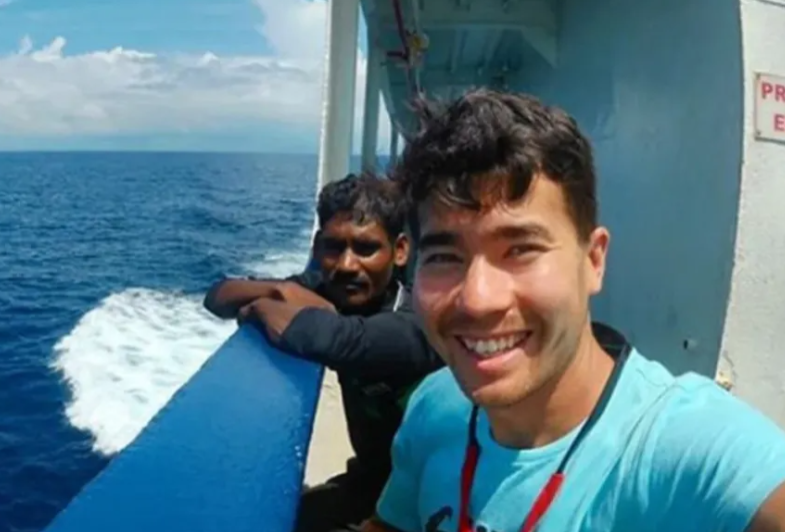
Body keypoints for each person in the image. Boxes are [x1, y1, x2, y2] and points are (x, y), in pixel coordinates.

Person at [363, 89, 785, 532]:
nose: (478, 299)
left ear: (593, 261)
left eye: (521, 250)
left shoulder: (683, 449)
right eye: (444, 257)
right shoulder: (437, 404)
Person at [203, 173, 443, 532]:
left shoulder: (416, 324)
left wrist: (265, 305)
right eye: (334, 247)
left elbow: (338, 338)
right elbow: (218, 297)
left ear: (400, 251)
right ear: (317, 248)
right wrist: (279, 291)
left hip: (429, 501)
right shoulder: (332, 290)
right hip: (371, 481)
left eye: (366, 248)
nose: (347, 265)